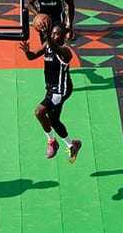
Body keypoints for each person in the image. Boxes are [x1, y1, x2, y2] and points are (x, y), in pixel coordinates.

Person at [19, 24, 82, 163]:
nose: (54, 36)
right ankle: (72, 144)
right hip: (51, 88)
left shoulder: (66, 52)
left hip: (61, 90)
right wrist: (26, 51)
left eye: (56, 34)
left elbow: (55, 48)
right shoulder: (48, 44)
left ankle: (52, 142)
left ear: (64, 36)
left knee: (39, 112)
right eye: (52, 33)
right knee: (53, 120)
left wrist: (47, 35)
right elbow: (32, 56)